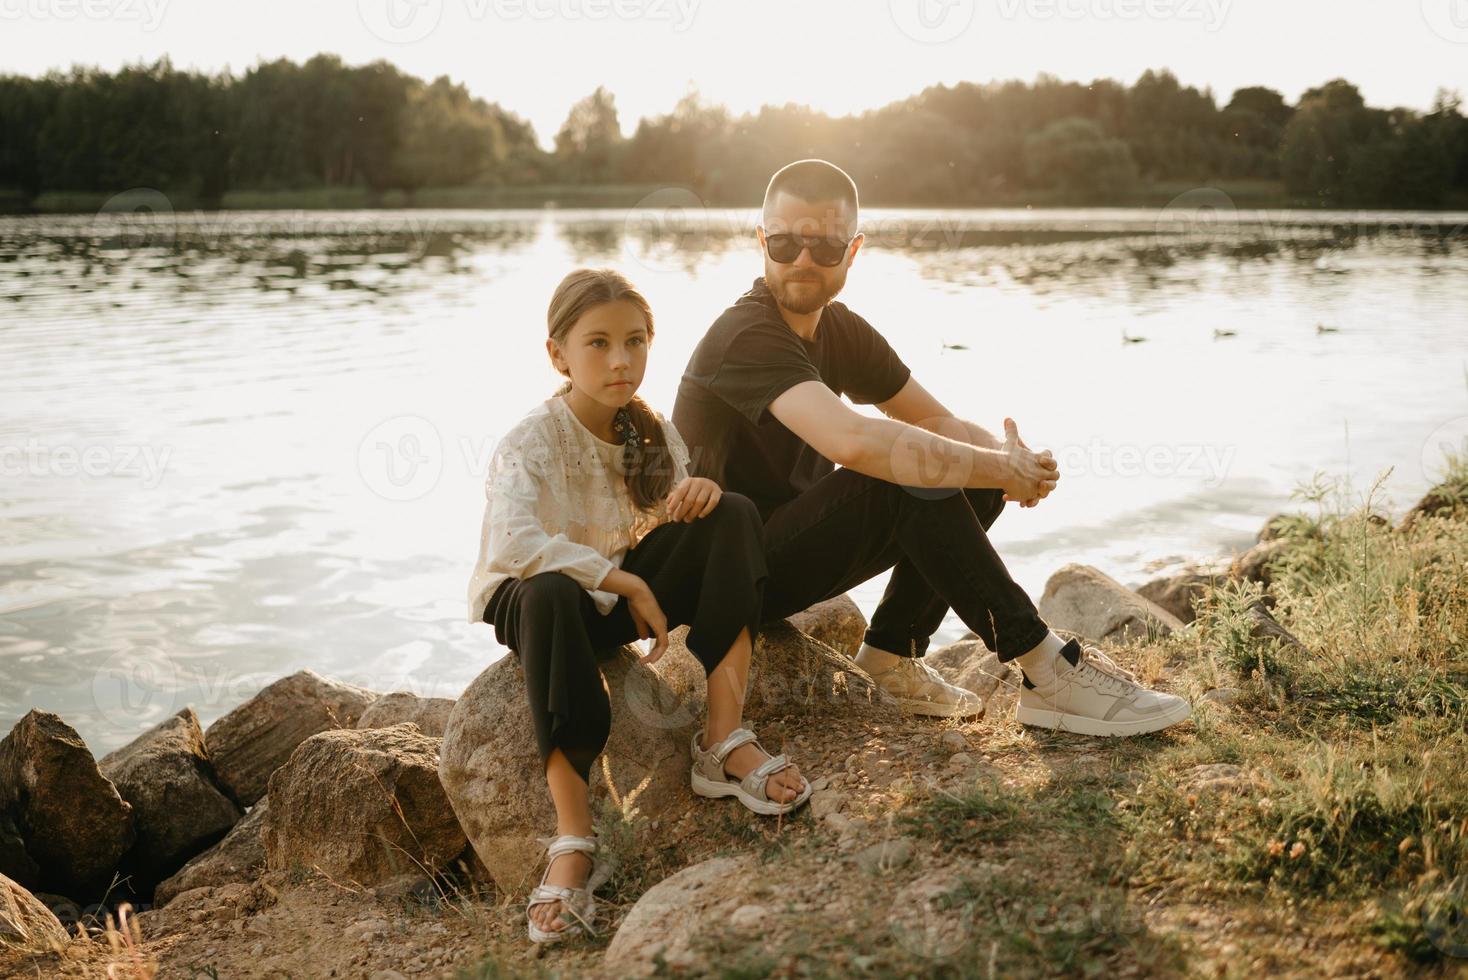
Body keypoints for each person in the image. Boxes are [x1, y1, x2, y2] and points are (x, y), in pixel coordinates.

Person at [672, 159, 1191, 737]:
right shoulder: (745, 336)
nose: (801, 261)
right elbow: (855, 440)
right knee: (903, 472)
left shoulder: (842, 332)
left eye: (823, 248)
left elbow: (938, 422)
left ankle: (889, 660)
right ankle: (1044, 666)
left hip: (780, 554)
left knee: (956, 469)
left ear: (853, 251)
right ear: (762, 241)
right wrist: (997, 465)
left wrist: (1010, 462)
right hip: (720, 575)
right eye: (786, 243)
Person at [467, 268, 813, 945]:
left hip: (617, 593)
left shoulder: (650, 433)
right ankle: (573, 836)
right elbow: (515, 542)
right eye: (597, 343)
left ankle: (721, 741)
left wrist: (696, 500)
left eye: (635, 341)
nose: (620, 360)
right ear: (557, 354)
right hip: (534, 602)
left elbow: (662, 519)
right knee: (552, 590)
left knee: (733, 512)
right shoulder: (531, 440)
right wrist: (623, 583)